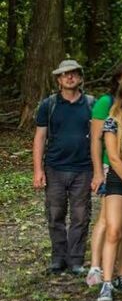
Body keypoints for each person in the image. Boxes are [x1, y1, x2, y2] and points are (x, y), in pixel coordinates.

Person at [32, 59, 94, 276]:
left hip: (84, 169)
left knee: (80, 215)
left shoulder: (91, 104)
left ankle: (76, 259)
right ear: (59, 79)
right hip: (55, 168)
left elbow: (100, 138)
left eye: (74, 73)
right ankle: (58, 258)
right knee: (55, 213)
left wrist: (100, 170)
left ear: (80, 77)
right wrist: (38, 170)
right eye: (65, 74)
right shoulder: (49, 105)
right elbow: (40, 138)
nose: (70, 77)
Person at [88, 61, 122, 287]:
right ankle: (98, 269)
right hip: (114, 172)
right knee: (110, 224)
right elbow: (100, 144)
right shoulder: (109, 111)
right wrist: (97, 172)